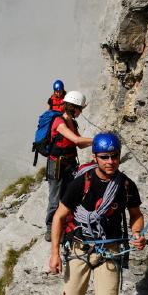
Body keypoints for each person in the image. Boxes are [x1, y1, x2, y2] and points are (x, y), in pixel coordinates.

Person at [48, 132, 147, 295]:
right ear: (95, 158)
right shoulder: (80, 183)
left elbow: (136, 215)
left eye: (114, 156)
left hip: (110, 250)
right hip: (79, 247)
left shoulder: (126, 186)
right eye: (105, 157)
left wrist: (138, 233)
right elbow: (59, 216)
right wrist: (55, 253)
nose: (110, 161)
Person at [44, 90, 93, 242]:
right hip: (57, 164)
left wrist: (94, 143)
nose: (81, 112)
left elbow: (80, 144)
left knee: (69, 195)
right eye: (80, 109)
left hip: (69, 164)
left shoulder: (72, 122)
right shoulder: (59, 122)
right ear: (74, 107)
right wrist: (98, 139)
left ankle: (66, 225)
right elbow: (77, 141)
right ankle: (50, 228)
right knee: (55, 197)